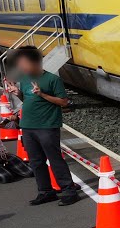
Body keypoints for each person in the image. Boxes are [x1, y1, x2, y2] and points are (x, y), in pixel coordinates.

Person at [5, 46, 78, 205]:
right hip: (28, 126)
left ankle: (68, 191)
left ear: (35, 62)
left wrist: (42, 94)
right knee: (36, 161)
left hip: (47, 125)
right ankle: (45, 191)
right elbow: (28, 99)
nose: (21, 67)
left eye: (23, 63)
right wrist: (17, 93)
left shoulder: (52, 79)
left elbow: (64, 102)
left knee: (55, 159)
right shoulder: (24, 79)